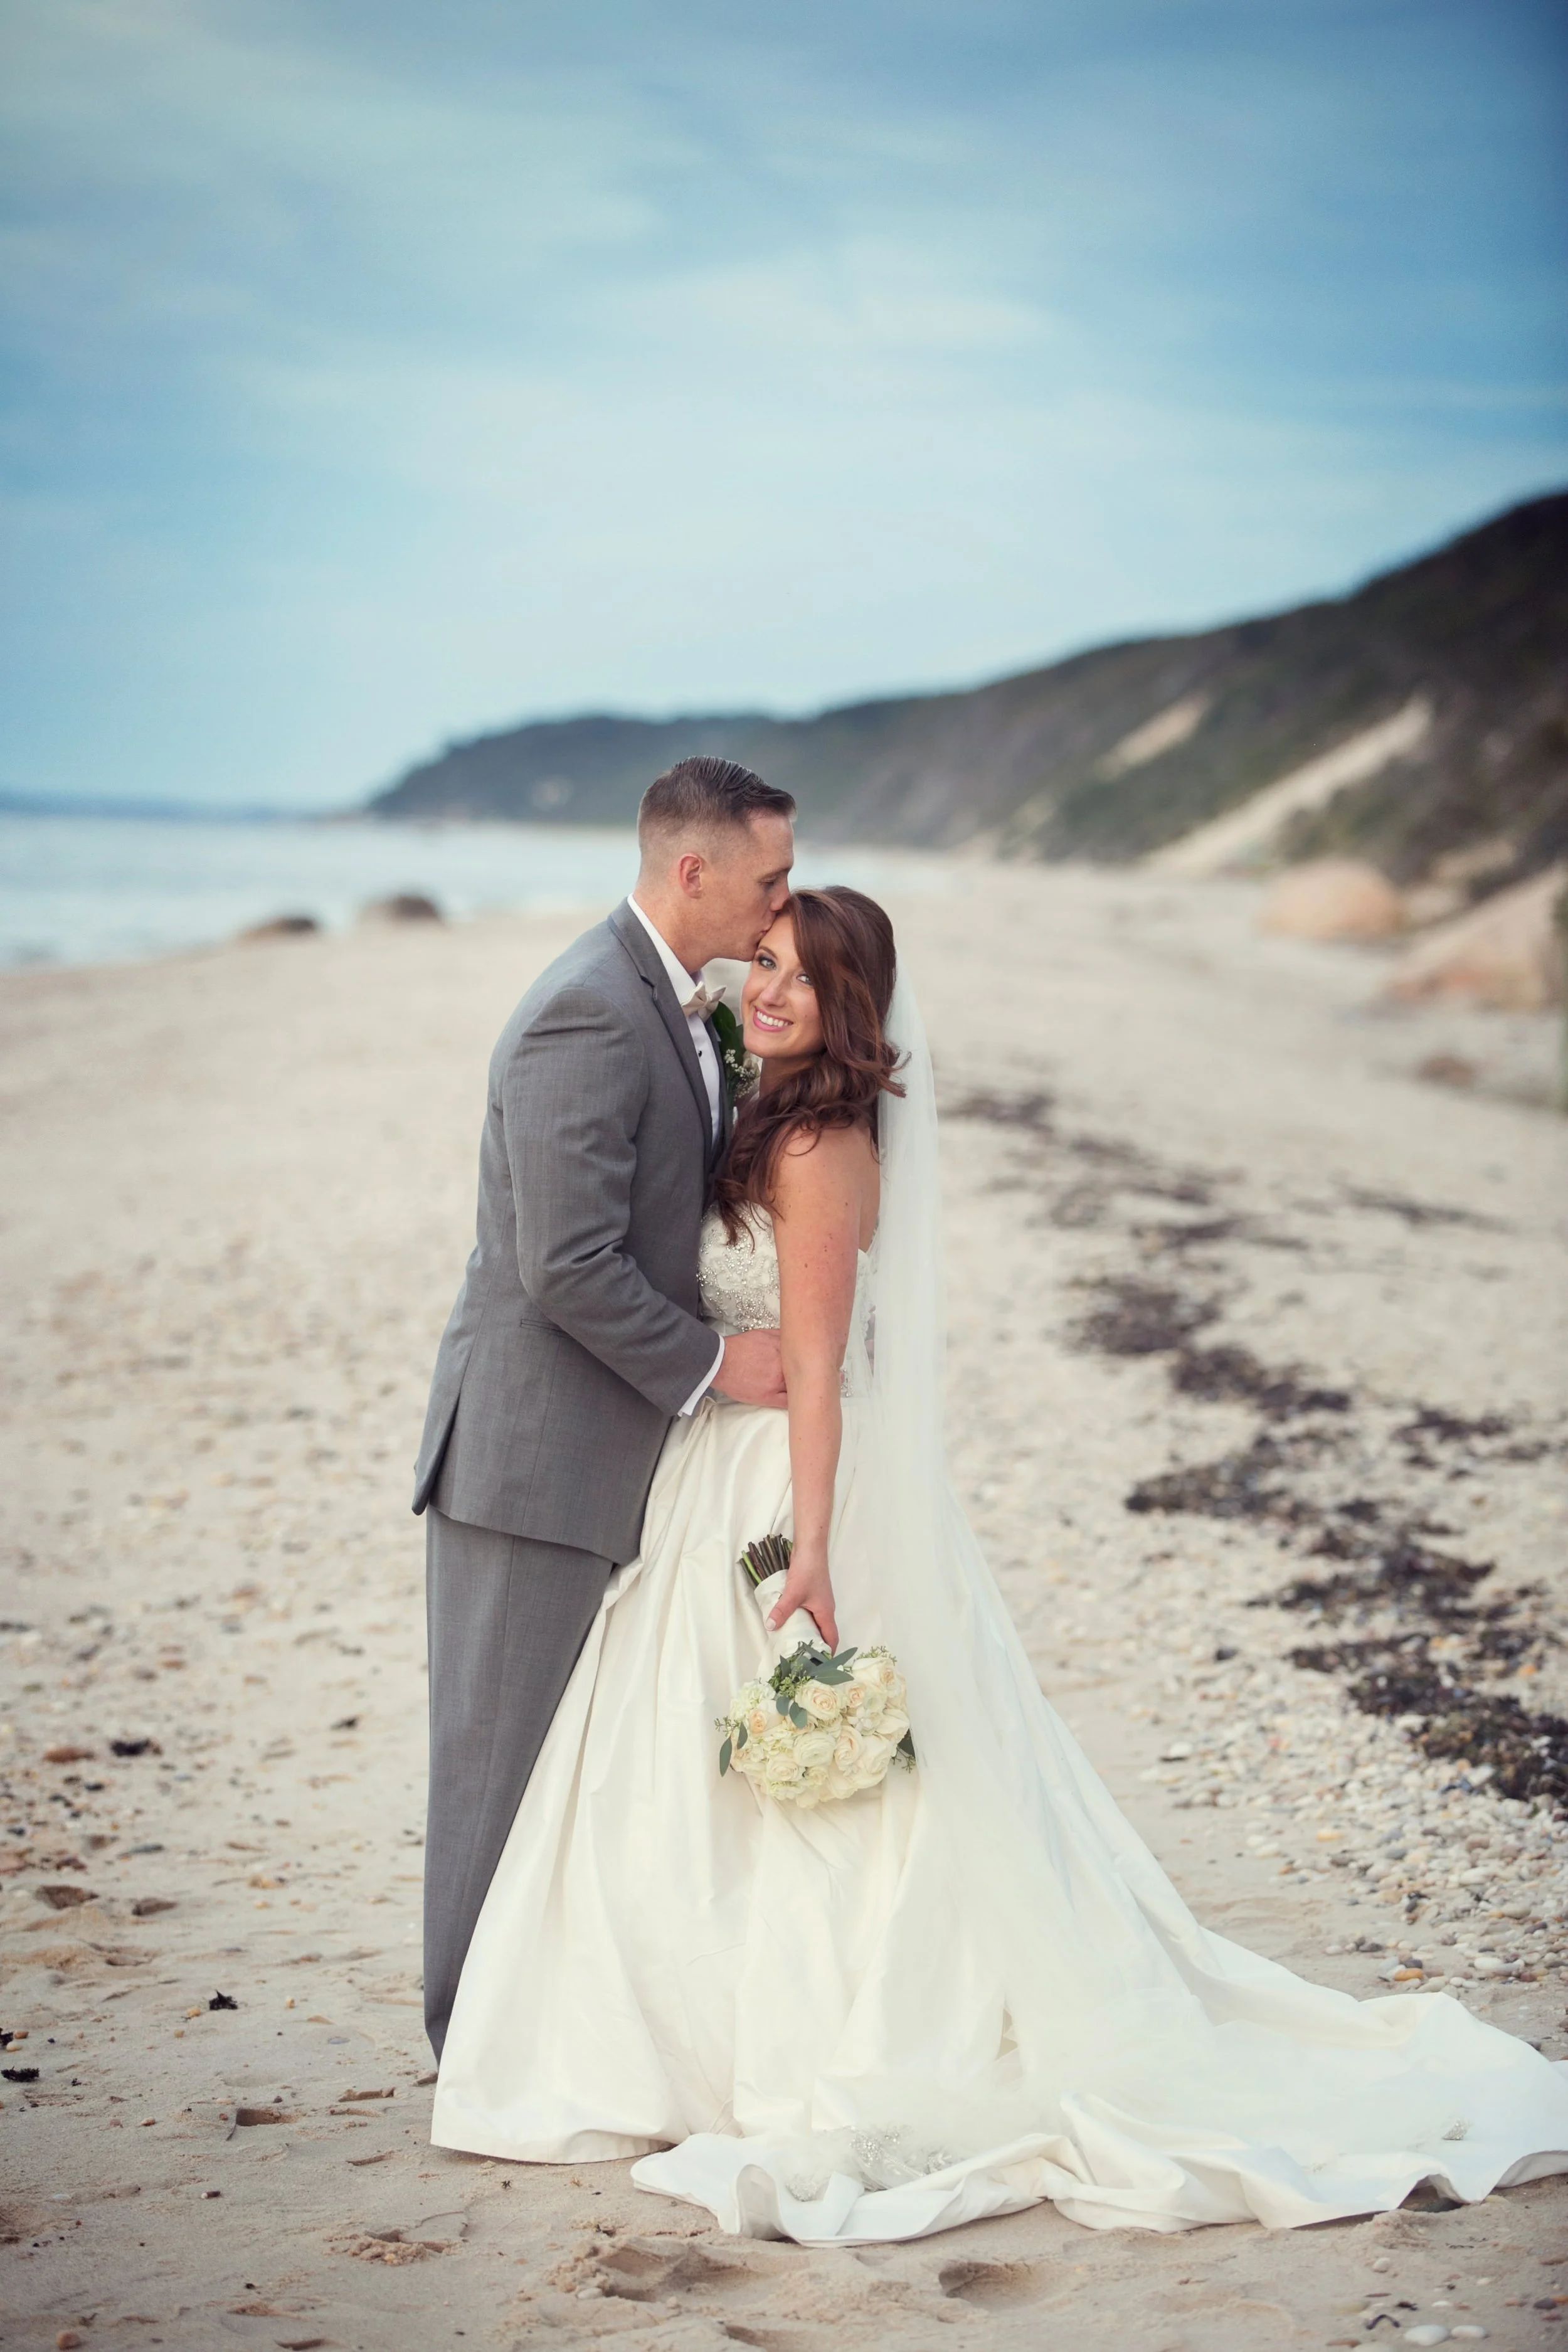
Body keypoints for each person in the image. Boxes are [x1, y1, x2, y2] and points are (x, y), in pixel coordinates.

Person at [431, 878, 1568, 2245]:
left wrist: (802, 1549)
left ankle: (757, 2037)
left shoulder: (816, 1150)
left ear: (849, 1002)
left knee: (805, 1793)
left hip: (776, 1487)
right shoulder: (774, 1116)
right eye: (763, 965)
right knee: (687, 1774)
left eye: (796, 975)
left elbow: (815, 1369)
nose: (767, 990)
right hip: (710, 1474)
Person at [412, 755, 797, 2059]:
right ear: (691, 872)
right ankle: (465, 2042)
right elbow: (562, 1264)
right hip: (532, 1457)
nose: (780, 902)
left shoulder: (687, 1003)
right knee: (498, 1761)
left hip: (615, 1453)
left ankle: (541, 2029)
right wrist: (715, 1366)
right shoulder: (585, 1009)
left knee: (579, 1772)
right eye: (769, 878)